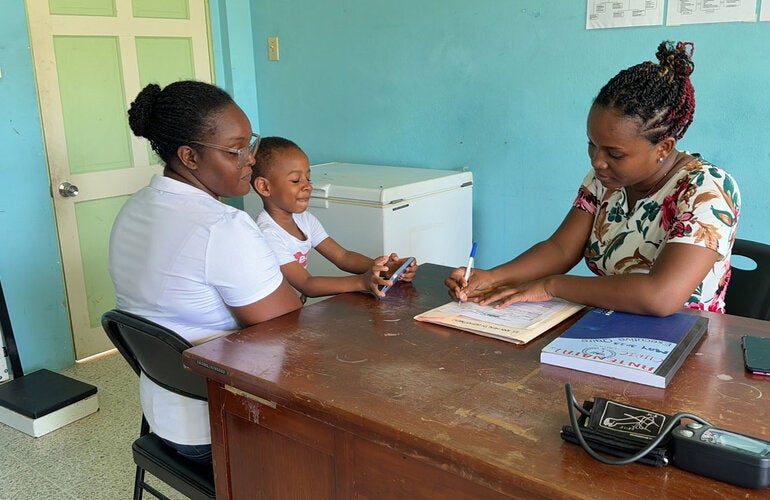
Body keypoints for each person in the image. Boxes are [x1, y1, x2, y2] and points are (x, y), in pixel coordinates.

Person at [447, 41, 740, 317]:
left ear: (664, 147)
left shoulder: (705, 189)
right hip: (611, 321)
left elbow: (660, 295)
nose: (597, 161)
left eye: (615, 153)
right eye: (592, 144)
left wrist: (551, 286)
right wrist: (491, 277)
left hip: (687, 343)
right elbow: (560, 249)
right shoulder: (605, 179)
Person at [110, 81, 302, 464]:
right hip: (219, 428)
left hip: (164, 416)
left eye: (252, 144)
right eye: (236, 151)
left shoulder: (135, 207)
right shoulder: (223, 226)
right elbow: (292, 329)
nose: (251, 159)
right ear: (190, 157)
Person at [250, 136, 418, 299]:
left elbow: (342, 256)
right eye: (295, 180)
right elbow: (306, 284)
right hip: (274, 316)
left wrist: (383, 269)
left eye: (308, 178)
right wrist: (361, 282)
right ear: (264, 187)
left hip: (292, 309)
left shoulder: (305, 220)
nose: (307, 186)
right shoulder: (267, 234)